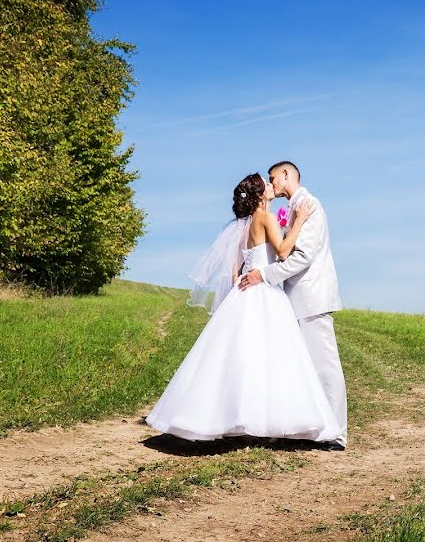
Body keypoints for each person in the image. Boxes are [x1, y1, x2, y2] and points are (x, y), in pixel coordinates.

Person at [144, 173, 340, 442]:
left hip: (243, 293)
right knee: (269, 357)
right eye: (267, 184)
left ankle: (230, 418)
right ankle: (265, 421)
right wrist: (300, 222)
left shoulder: (243, 226)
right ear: (260, 196)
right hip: (264, 292)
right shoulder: (265, 218)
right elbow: (283, 252)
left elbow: (236, 272)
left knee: (239, 356)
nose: (272, 187)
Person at [239, 161, 347, 449]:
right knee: (302, 368)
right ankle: (308, 427)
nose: (271, 183)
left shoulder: (309, 205)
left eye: (273, 178)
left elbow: (302, 256)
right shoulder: (290, 209)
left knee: (325, 366)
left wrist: (264, 274)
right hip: (291, 299)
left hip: (311, 297)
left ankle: (336, 433)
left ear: (286, 175)